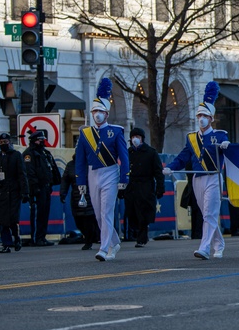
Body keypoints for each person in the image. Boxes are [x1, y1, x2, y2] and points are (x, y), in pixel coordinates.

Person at [165, 81, 229, 260]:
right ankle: (219, 244)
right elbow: (183, 156)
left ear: (211, 119)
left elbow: (230, 153)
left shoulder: (220, 135)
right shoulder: (191, 137)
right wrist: (171, 167)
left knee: (209, 213)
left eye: (205, 115)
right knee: (207, 213)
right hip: (197, 179)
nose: (201, 118)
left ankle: (204, 247)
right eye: (199, 115)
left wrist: (227, 146)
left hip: (214, 178)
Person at [75, 78, 130, 261]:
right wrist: (80, 181)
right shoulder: (85, 134)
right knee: (98, 214)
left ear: (106, 114)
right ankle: (114, 243)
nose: (97, 114)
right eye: (94, 111)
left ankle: (104, 247)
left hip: (110, 172)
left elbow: (124, 156)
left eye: (100, 111)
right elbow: (80, 160)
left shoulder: (116, 131)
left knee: (106, 212)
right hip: (93, 173)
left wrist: (124, 178)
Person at [0, 133, 29, 253]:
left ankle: (16, 238)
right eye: (1, 142)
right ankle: (6, 243)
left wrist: (25, 192)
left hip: (13, 192)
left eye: (6, 142)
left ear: (9, 143)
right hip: (0, 193)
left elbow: (22, 175)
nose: (3, 144)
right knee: (2, 220)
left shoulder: (16, 156)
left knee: (13, 219)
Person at [125, 127, 165, 247]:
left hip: (145, 186)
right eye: (133, 137)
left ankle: (142, 237)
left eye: (137, 137)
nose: (135, 139)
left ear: (142, 138)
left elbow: (158, 171)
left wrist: (160, 187)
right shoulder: (128, 152)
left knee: (143, 212)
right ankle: (137, 232)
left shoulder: (151, 152)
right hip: (131, 187)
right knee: (132, 213)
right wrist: (122, 188)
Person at [22, 129, 60, 246]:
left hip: (46, 187)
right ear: (34, 141)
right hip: (36, 189)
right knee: (37, 214)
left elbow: (51, 169)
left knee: (44, 213)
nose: (42, 142)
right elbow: (30, 173)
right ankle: (36, 238)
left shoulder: (45, 153)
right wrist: (35, 187)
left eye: (43, 140)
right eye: (40, 140)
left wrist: (53, 181)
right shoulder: (29, 154)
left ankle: (42, 237)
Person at [60, 158, 100, 250]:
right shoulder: (71, 165)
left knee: (89, 220)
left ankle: (89, 241)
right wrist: (63, 193)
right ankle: (90, 237)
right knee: (78, 220)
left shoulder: (92, 162)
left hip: (90, 195)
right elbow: (65, 180)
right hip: (76, 196)